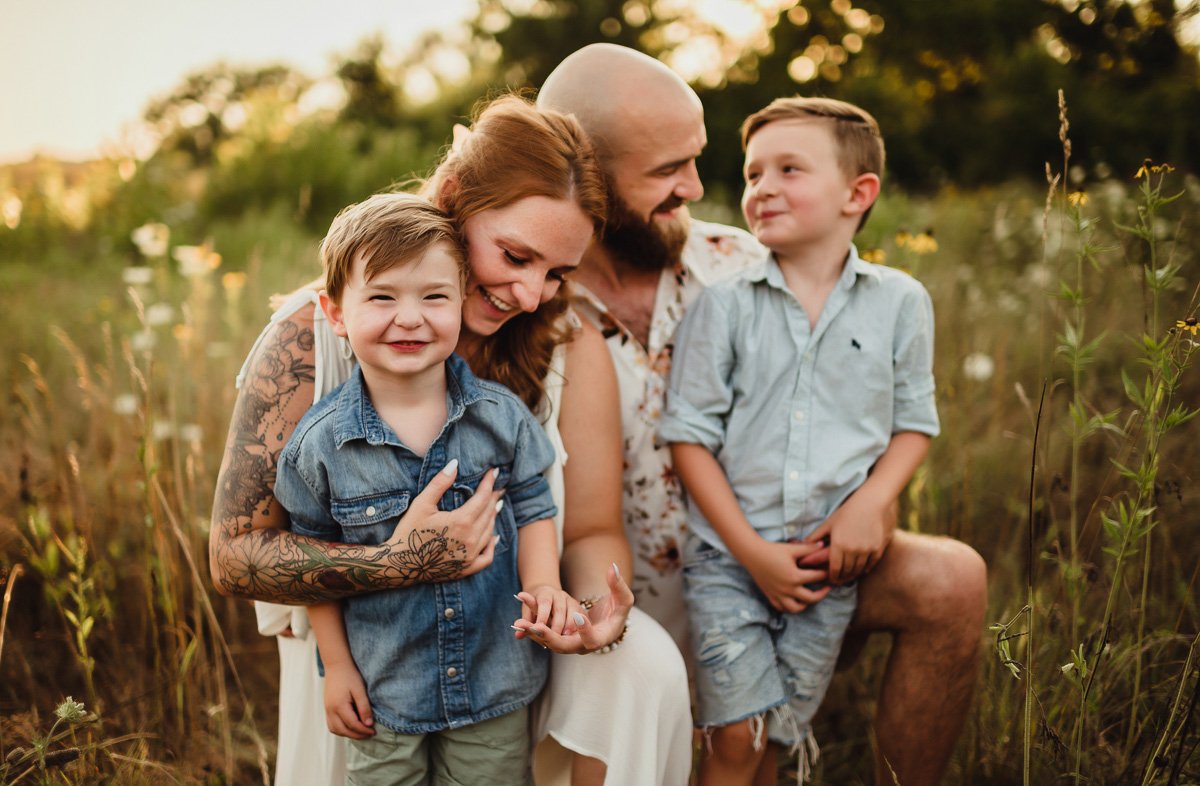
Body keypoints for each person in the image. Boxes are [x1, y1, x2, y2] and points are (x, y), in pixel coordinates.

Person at [537, 44, 988, 785]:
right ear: (583, 172)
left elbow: (851, 406)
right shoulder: (523, 299)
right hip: (612, 596)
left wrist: (876, 500)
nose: (695, 187)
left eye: (698, 159)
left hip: (781, 556)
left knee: (952, 579)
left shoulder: (741, 263)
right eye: (665, 171)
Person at [209, 95, 692, 786]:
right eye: (515, 255)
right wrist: (396, 565)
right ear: (456, 200)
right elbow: (233, 555)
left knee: (648, 667)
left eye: (556, 272)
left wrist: (585, 613)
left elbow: (588, 529)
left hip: (508, 640)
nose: (530, 294)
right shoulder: (311, 337)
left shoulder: (565, 339)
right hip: (365, 660)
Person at [658, 96, 939, 784]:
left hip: (830, 565)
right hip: (730, 560)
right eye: (754, 174)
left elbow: (914, 422)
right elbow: (688, 438)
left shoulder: (900, 301)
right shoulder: (724, 304)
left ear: (858, 192)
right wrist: (752, 554)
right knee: (735, 737)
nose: (764, 189)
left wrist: (874, 501)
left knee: (780, 737)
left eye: (790, 169)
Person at [271, 193, 575, 783]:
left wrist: (543, 585)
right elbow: (315, 558)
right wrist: (336, 667)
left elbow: (534, 504)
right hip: (385, 691)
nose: (409, 318)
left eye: (433, 297)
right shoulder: (321, 445)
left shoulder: (500, 417)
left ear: (461, 303)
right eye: (382, 297)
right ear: (336, 314)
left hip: (495, 679)